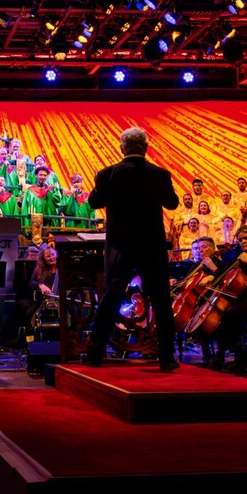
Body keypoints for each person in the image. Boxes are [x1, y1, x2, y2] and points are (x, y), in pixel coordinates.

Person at [87, 127, 180, 370]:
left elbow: (94, 201)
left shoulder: (108, 174)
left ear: (122, 148)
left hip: (120, 245)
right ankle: (167, 357)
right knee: (160, 298)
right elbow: (172, 203)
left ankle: (95, 351)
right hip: (152, 245)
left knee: (111, 297)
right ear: (146, 148)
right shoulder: (160, 174)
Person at [199, 225, 247, 371]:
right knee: (221, 314)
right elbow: (224, 271)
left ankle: (222, 355)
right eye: (240, 240)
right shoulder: (239, 256)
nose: (243, 242)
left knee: (231, 313)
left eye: (246, 238)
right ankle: (239, 355)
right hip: (242, 299)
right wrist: (212, 276)